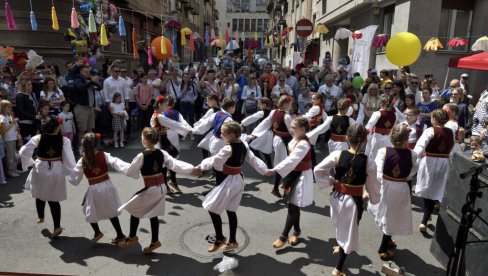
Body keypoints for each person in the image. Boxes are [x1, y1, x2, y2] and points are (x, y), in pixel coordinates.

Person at [118, 127, 198, 253]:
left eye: (142, 137)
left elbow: (130, 172)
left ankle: (132, 237)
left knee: (134, 208)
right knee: (153, 213)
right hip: (161, 187)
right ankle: (154, 241)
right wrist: (192, 169)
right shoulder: (162, 152)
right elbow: (175, 164)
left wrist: (119, 164)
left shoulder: (141, 156)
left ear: (144, 140)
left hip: (152, 189)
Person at [314, 124, 380, 276]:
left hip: (336, 198)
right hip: (353, 203)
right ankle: (338, 269)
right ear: (364, 141)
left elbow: (318, 170)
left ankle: (340, 244)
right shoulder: (368, 162)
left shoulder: (338, 154)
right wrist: (372, 195)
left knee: (340, 225)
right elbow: (374, 184)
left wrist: (331, 181)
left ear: (346, 138)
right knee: (349, 233)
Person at [196, 121, 268, 252]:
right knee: (230, 210)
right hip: (238, 179)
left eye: (223, 133)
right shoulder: (244, 144)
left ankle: (220, 238)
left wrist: (201, 166)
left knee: (211, 208)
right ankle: (232, 241)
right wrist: (264, 170)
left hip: (229, 181)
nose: (221, 135)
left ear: (232, 135)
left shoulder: (227, 148)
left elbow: (215, 160)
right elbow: (252, 159)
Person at [19, 116, 76, 237]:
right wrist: (72, 173)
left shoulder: (38, 138)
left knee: (39, 192)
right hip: (56, 169)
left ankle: (41, 216)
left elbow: (23, 151)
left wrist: (29, 162)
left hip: (40, 167)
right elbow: (70, 159)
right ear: (57, 127)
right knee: (53, 199)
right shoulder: (64, 140)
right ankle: (57, 226)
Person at [68, 133, 128, 243]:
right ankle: (120, 234)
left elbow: (74, 179)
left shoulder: (83, 159)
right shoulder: (103, 154)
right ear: (96, 143)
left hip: (94, 188)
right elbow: (117, 163)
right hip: (107, 185)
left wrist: (69, 176)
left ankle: (97, 232)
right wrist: (130, 168)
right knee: (111, 209)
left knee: (88, 209)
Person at [266, 118, 315, 249]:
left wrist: (275, 169)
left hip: (301, 176)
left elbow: (292, 159)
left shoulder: (304, 144)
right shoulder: (296, 139)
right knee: (293, 205)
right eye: (291, 127)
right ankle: (297, 230)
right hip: (293, 175)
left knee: (293, 206)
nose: (291, 129)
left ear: (303, 130)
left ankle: (284, 236)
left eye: (294, 127)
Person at [373, 124, 417, 260]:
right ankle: (382, 248)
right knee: (392, 215)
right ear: (406, 140)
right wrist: (403, 177)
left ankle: (388, 239)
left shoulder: (383, 152)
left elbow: (378, 171)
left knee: (389, 214)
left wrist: (383, 182)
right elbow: (413, 171)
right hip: (401, 187)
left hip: (386, 185)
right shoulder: (412, 154)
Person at [414, 109, 455, 234]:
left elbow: (419, 148)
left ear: (435, 119)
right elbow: (452, 148)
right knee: (434, 190)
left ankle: (424, 220)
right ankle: (427, 214)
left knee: (427, 190)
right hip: (443, 163)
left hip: (429, 162)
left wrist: (412, 159)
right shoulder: (450, 132)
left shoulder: (430, 131)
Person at [251, 96, 293, 197]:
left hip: (277, 140)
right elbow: (293, 131)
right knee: (285, 164)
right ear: (286, 104)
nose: (291, 105)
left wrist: (255, 133)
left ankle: (278, 187)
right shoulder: (286, 116)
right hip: (283, 141)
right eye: (290, 103)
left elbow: (265, 123)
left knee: (282, 164)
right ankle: (283, 187)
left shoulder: (273, 112)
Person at [151, 96, 192, 193]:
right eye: (165, 105)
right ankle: (166, 184)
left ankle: (172, 182)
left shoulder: (157, 114)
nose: (166, 107)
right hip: (162, 141)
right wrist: (188, 130)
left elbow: (171, 124)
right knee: (166, 162)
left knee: (170, 160)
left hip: (164, 140)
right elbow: (173, 124)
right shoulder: (159, 116)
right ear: (160, 104)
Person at [365, 94, 403, 161]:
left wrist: (368, 137)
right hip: (383, 138)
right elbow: (369, 126)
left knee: (377, 157)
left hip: (379, 139)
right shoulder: (393, 114)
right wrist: (368, 137)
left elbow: (369, 126)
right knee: (380, 156)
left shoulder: (378, 114)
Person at [73, 65, 101, 147]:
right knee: (82, 130)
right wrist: (91, 81)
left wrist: (96, 81)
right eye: (86, 72)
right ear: (81, 72)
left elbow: (99, 88)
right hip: (82, 108)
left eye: (89, 72)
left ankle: (90, 147)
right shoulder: (77, 80)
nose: (88, 73)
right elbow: (82, 88)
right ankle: (81, 148)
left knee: (90, 129)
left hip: (91, 108)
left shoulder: (88, 80)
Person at [241, 98, 273, 167]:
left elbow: (252, 118)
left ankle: (261, 162)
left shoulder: (262, 112)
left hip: (262, 133)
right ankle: (269, 166)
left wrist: (242, 124)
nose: (258, 106)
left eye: (259, 104)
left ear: (264, 105)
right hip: (269, 134)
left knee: (251, 146)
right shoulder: (272, 112)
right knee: (265, 151)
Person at [0, 100, 20, 178]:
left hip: (12, 137)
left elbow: (12, 126)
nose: (10, 108)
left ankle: (14, 169)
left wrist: (16, 126)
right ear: (3, 108)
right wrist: (13, 123)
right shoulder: (2, 117)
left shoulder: (8, 116)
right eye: (8, 107)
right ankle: (10, 171)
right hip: (8, 139)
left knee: (13, 154)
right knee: (10, 155)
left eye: (10, 107)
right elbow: (5, 130)